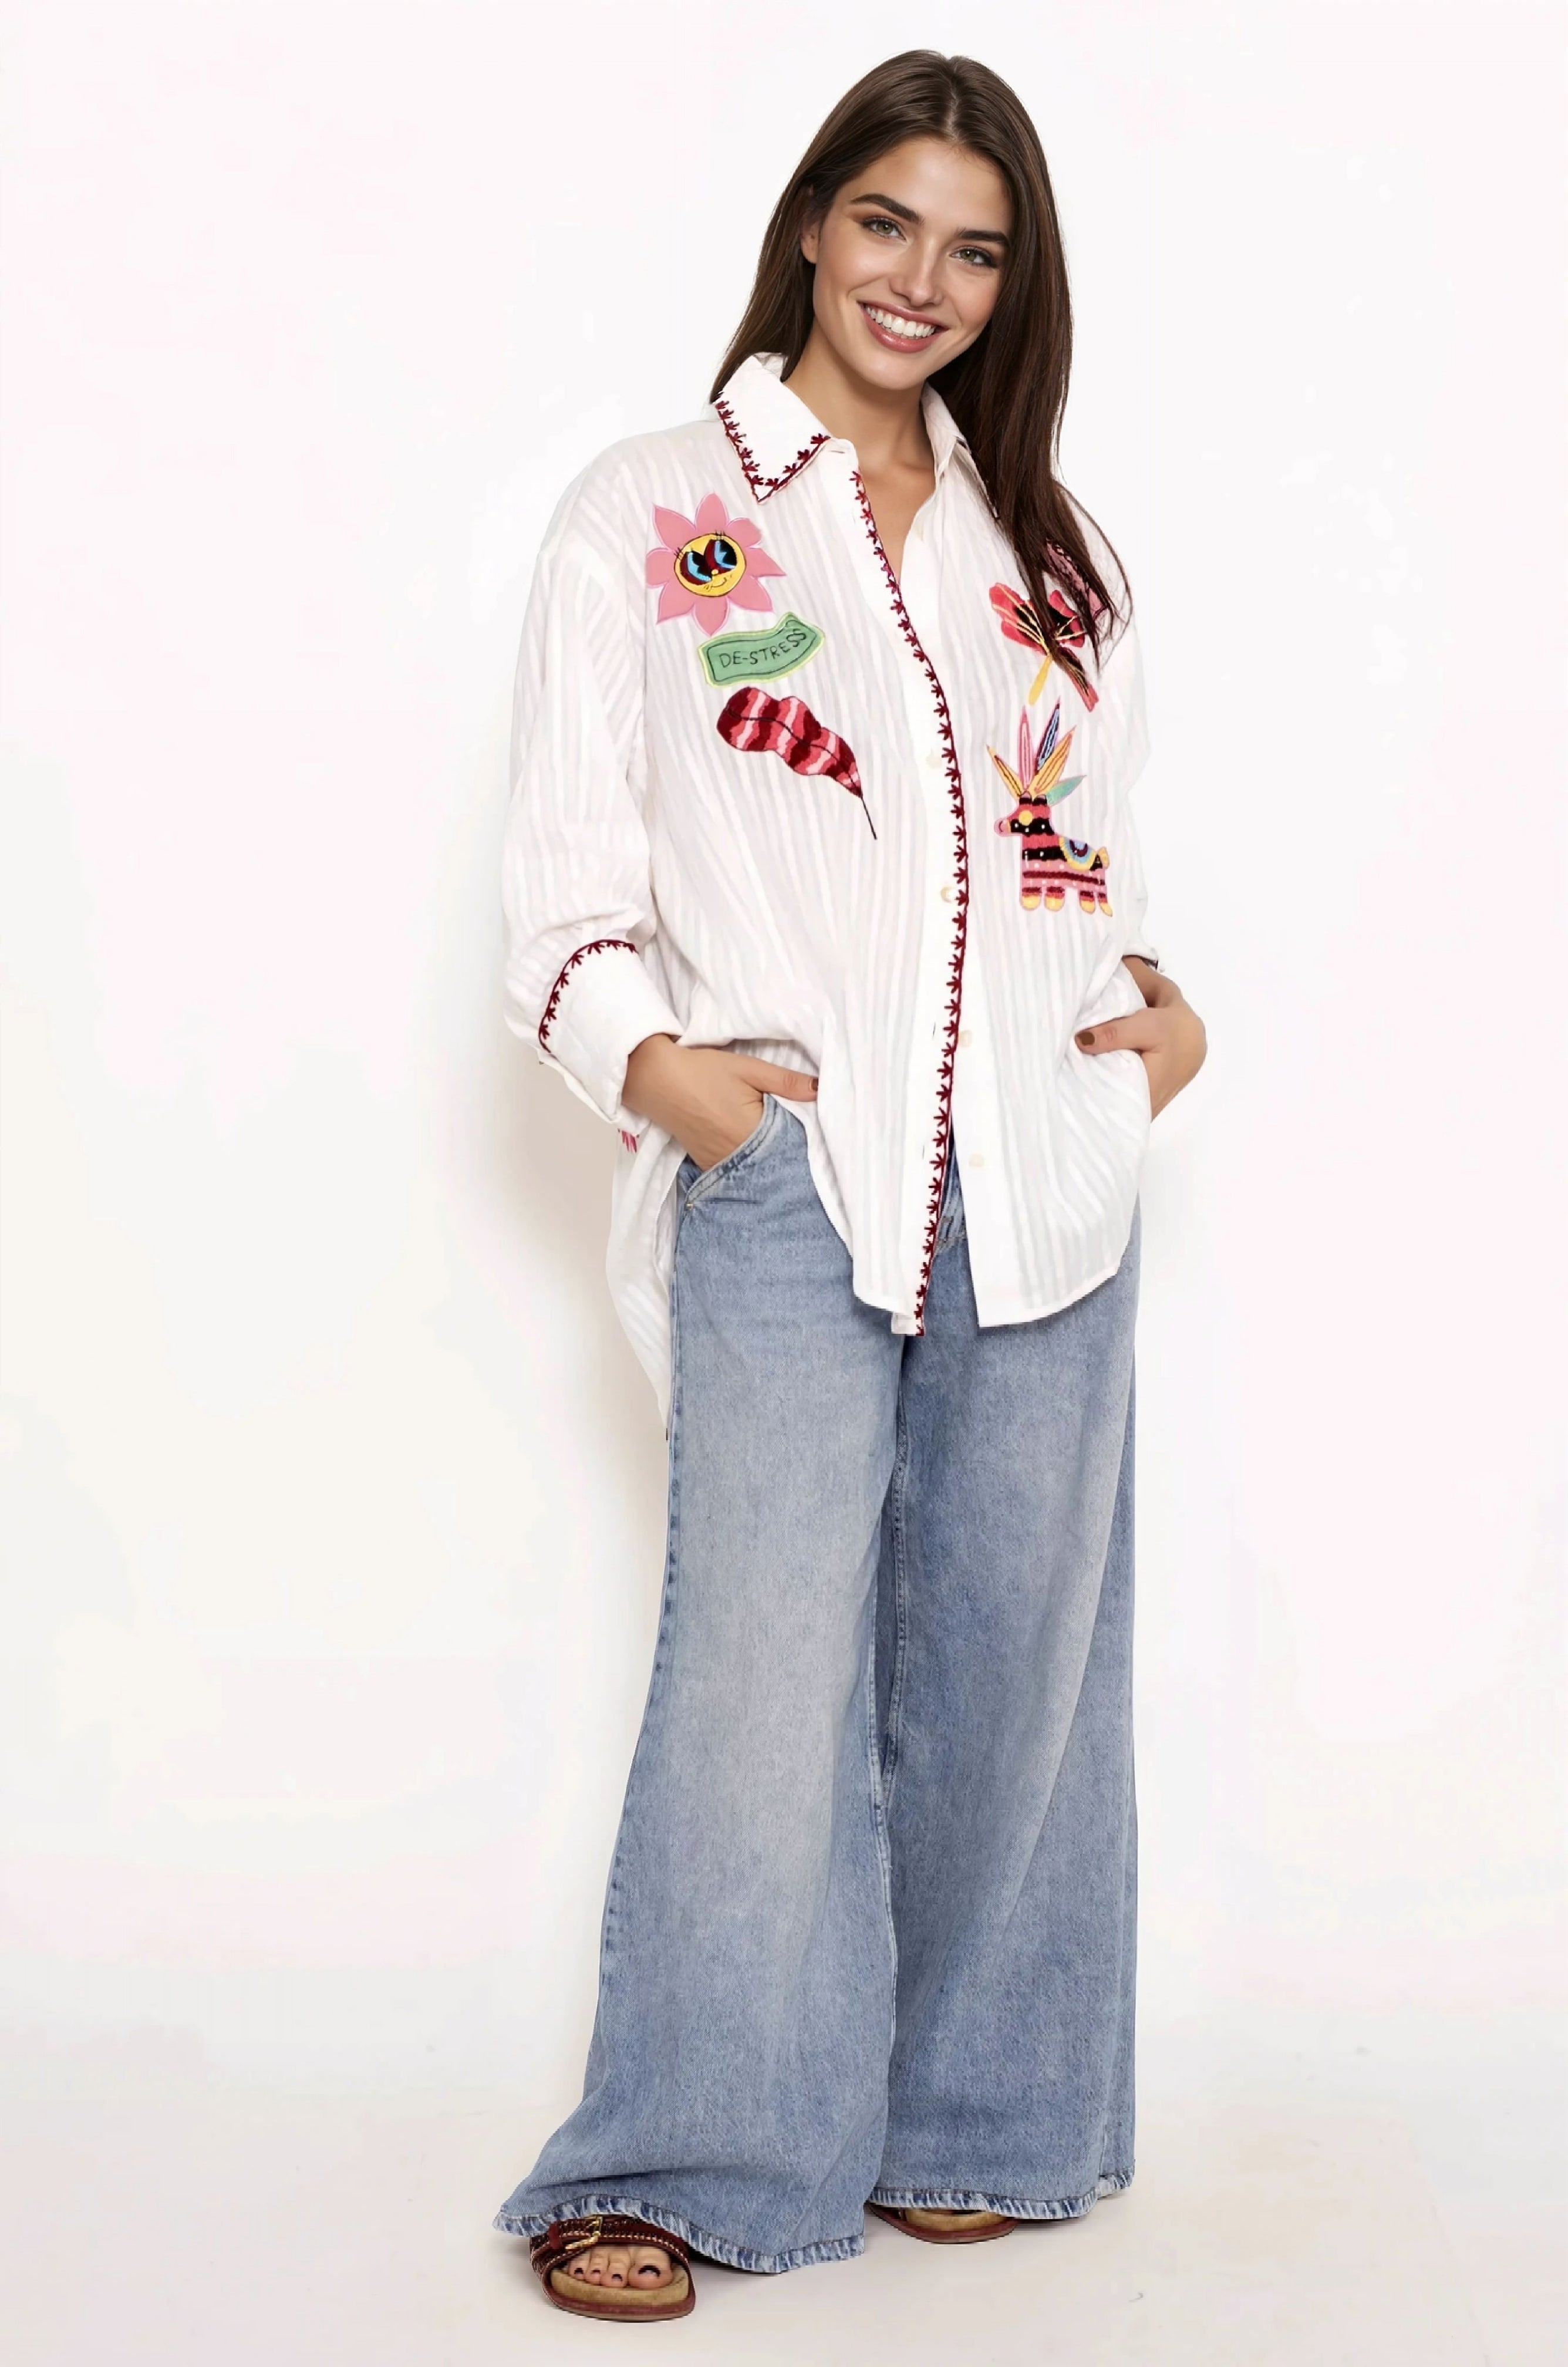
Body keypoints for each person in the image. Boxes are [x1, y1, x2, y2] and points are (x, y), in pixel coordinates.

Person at [494, 48, 1207, 2323]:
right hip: (795, 1176)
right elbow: (562, 899)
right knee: (760, 1675)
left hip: (1042, 1174)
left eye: (974, 249)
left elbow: (1071, 859)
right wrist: (680, 1088)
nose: (922, 281)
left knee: (1021, 1667)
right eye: (887, 223)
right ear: (812, 222)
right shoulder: (651, 515)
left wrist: (1155, 1024)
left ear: (1013, 285)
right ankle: (681, 2152)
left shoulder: (1046, 558)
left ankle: (974, 2116)